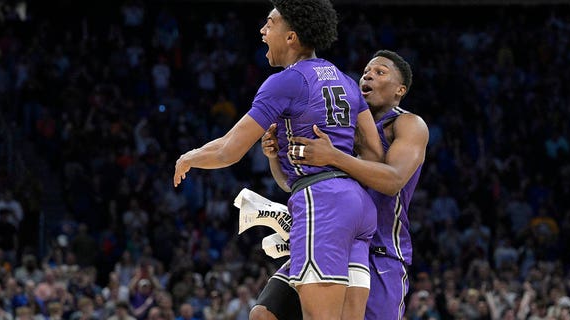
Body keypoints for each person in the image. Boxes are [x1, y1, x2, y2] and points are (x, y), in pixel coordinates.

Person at [173, 0, 384, 319]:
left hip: (322, 205)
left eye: (270, 24)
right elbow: (374, 155)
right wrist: (279, 157)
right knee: (266, 314)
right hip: (357, 208)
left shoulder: (287, 81)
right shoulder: (345, 80)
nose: (262, 30)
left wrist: (189, 156)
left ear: (291, 37)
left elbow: (229, 149)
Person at [251, 50, 429, 320]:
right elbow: (293, 184)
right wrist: (274, 158)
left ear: (400, 90)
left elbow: (392, 181)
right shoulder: (341, 125)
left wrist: (334, 156)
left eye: (380, 72)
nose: (368, 75)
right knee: (264, 314)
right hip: (331, 237)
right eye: (367, 71)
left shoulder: (407, 124)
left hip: (380, 250)